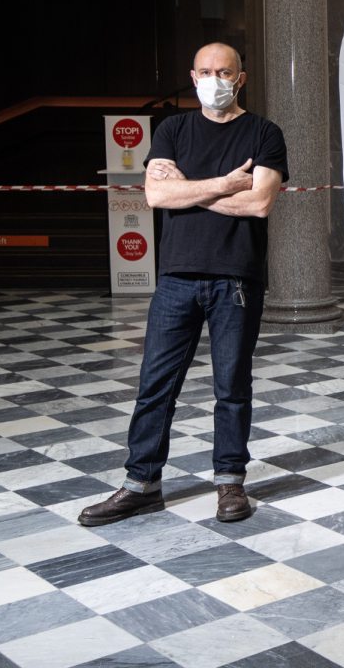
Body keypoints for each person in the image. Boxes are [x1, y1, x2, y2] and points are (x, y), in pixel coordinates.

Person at [79, 43, 288, 526]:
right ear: (192, 76)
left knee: (231, 387)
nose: (215, 79)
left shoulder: (264, 132)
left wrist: (190, 188)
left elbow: (258, 205)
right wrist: (223, 184)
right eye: (206, 71)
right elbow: (155, 193)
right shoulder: (172, 129)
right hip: (176, 280)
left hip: (236, 279)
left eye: (225, 72)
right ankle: (141, 484)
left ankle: (229, 484)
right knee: (155, 385)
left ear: (242, 78)